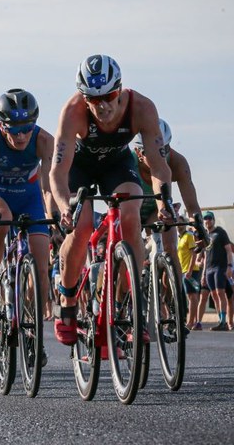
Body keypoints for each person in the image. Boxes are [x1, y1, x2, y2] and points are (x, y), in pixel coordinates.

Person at [49, 54, 176, 345]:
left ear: (119, 89)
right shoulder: (72, 111)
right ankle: (67, 300)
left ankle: (128, 303)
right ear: (84, 98)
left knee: (131, 215)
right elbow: (58, 171)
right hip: (79, 167)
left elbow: (158, 166)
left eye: (108, 96)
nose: (102, 106)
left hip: (117, 164)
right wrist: (64, 207)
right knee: (82, 226)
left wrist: (163, 203)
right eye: (93, 99)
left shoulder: (142, 107)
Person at [0, 89, 57, 321]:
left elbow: (48, 188)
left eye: (27, 128)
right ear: (2, 126)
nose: (21, 136)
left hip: (29, 196)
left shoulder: (45, 141)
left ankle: (30, 325)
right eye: (13, 130)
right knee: (2, 220)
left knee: (42, 268)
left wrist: (54, 217)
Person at [131, 118, 209, 274]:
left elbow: (192, 206)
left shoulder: (177, 163)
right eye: (149, 151)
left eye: (163, 150)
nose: (158, 156)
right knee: (132, 253)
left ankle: (175, 288)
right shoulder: (128, 161)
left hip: (156, 210)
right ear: (138, 152)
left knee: (170, 249)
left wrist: (199, 228)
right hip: (132, 208)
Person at [195, 211, 234, 331]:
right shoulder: (205, 235)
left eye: (209, 218)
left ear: (213, 220)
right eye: (205, 218)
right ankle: (220, 320)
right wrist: (203, 273)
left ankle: (224, 322)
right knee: (214, 295)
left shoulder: (220, 232)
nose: (207, 220)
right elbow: (204, 255)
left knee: (220, 293)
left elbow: (229, 250)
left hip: (219, 267)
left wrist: (229, 266)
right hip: (209, 269)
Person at [177, 216, 201, 329]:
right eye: (178, 223)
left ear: (185, 224)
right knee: (190, 296)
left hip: (191, 270)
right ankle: (193, 321)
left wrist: (190, 270)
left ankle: (191, 322)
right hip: (184, 270)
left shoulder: (189, 236)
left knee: (192, 296)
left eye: (181, 223)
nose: (179, 225)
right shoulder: (180, 238)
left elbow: (194, 253)